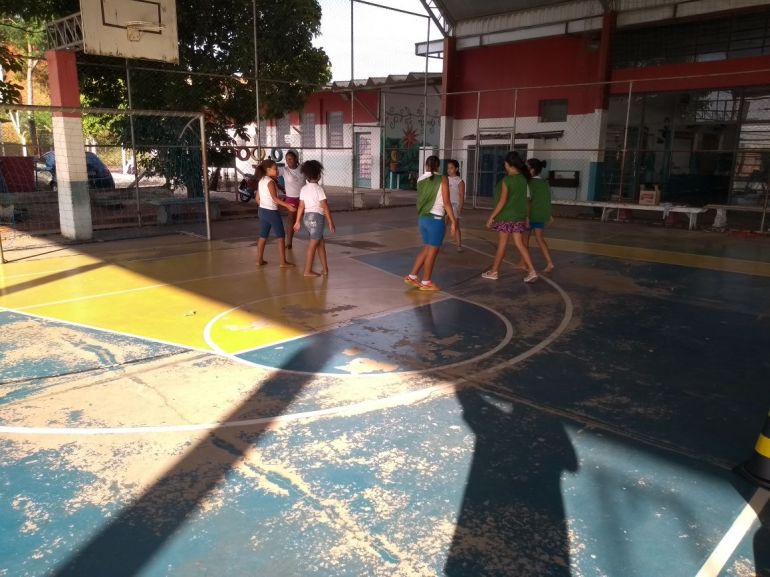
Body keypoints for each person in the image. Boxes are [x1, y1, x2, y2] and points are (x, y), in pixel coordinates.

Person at [482, 151, 538, 283]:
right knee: (520, 244)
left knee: (502, 244)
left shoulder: (507, 180)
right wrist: (526, 217)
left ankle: (494, 271)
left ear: (508, 165)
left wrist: (492, 216)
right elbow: (526, 200)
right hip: (518, 216)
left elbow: (502, 201)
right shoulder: (523, 179)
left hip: (506, 217)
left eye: (505, 163)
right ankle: (532, 271)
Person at [404, 155, 457, 292]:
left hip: (423, 219)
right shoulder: (442, 179)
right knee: (432, 252)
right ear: (439, 166)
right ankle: (426, 281)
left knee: (427, 248)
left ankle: (412, 275)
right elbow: (446, 203)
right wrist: (453, 221)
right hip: (435, 220)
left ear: (426, 165)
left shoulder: (420, 179)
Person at [293, 159, 336, 277]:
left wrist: (297, 221)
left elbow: (301, 206)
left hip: (306, 218)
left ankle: (325, 269)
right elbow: (325, 206)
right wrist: (331, 222)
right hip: (316, 218)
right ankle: (307, 270)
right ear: (318, 175)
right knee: (313, 245)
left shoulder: (303, 189)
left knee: (320, 243)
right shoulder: (319, 189)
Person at [255, 158, 296, 267]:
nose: (277, 171)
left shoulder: (261, 180)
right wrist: (287, 205)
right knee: (281, 236)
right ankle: (283, 262)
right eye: (275, 169)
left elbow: (257, 199)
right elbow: (274, 198)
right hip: (271, 213)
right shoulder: (271, 182)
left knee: (263, 236)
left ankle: (259, 260)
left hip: (262, 211)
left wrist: (264, 206)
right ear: (268, 170)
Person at [525, 157, 555, 273]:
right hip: (541, 215)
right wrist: (549, 214)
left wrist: (526, 217)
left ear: (532, 170)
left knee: (524, 241)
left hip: (531, 215)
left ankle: (525, 264)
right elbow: (547, 200)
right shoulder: (544, 183)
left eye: (527, 167)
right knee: (540, 239)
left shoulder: (529, 183)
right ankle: (549, 262)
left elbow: (528, 202)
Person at [281, 150, 304, 249]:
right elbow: (271, 172)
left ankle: (314, 238)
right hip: (291, 198)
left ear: (296, 159)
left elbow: (312, 176)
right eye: (286, 159)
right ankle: (289, 242)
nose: (288, 161)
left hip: (303, 198)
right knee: (291, 219)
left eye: (290, 159)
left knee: (305, 218)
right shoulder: (284, 170)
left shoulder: (303, 169)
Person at [446, 159, 466, 252]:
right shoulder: (445, 179)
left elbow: (461, 195)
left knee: (456, 226)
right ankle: (438, 242)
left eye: (451, 168)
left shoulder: (459, 181)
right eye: (448, 168)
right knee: (442, 225)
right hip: (446, 205)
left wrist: (460, 207)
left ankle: (459, 245)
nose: (449, 170)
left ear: (456, 169)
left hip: (455, 205)